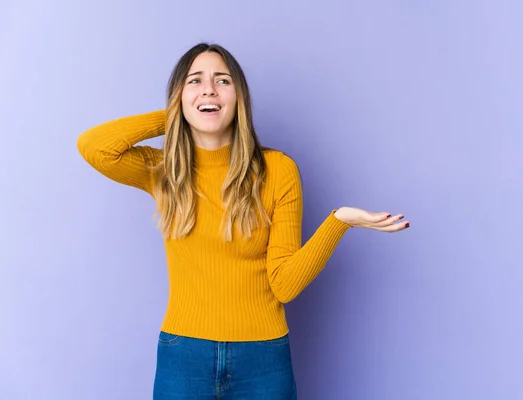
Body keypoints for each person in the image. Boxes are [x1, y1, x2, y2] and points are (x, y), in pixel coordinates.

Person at [77, 42, 410, 400]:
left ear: (239, 98)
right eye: (195, 82)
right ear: (178, 96)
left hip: (263, 358)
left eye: (222, 81)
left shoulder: (278, 170)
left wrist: (338, 222)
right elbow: (95, 146)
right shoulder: (165, 171)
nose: (208, 89)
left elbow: (284, 286)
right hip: (184, 356)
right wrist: (177, 114)